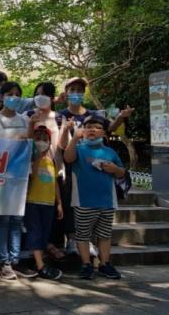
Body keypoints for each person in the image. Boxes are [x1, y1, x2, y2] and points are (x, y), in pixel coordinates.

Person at [57, 77, 133, 255]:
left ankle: (89, 241)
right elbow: (60, 143)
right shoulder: (61, 116)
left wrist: (121, 117)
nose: (76, 93)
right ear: (66, 93)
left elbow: (110, 128)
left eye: (79, 90)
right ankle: (72, 238)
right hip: (70, 163)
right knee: (70, 201)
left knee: (91, 202)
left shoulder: (93, 115)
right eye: (72, 90)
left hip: (93, 165)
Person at [64, 114, 126, 280]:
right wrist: (74, 139)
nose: (92, 129)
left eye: (97, 127)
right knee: (83, 235)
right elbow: (68, 158)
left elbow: (122, 173)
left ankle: (105, 264)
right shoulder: (79, 148)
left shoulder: (110, 152)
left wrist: (115, 169)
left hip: (107, 201)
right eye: (89, 127)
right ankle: (86, 264)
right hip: (83, 201)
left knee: (105, 235)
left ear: (104, 133)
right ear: (83, 130)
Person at [0, 81, 35, 280]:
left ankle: (15, 260)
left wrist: (29, 132)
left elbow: (30, 145)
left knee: (17, 219)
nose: (13, 98)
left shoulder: (25, 119)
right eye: (9, 94)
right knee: (3, 220)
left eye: (17, 94)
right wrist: (14, 142)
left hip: (21, 175)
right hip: (1, 176)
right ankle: (4, 261)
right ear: (2, 96)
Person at [25, 82, 67, 260]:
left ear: (51, 97)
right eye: (37, 94)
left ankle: (51, 244)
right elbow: (24, 141)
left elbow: (63, 145)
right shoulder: (28, 115)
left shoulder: (59, 118)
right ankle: (37, 248)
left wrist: (68, 130)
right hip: (31, 170)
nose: (39, 97)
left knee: (53, 213)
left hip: (54, 170)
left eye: (43, 94)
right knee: (34, 212)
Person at [24, 125, 64, 280]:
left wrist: (59, 202)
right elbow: (32, 175)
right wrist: (37, 157)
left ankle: (38, 261)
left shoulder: (51, 161)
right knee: (35, 231)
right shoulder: (30, 160)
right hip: (33, 202)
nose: (41, 142)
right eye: (38, 139)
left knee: (44, 233)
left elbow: (55, 183)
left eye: (45, 139)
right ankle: (41, 265)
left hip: (48, 203)